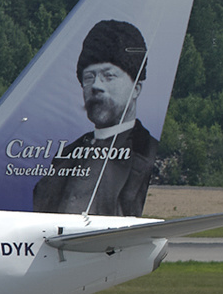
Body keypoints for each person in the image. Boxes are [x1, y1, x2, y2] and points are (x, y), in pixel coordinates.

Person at [32, 20, 158, 218]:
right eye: (89, 77)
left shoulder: (148, 154)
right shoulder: (65, 155)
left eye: (109, 76)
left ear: (136, 89)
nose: (96, 86)